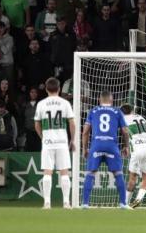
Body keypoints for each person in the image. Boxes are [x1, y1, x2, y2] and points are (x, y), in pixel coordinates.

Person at [81, 90, 131, 209]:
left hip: (96, 144)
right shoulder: (117, 111)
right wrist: (126, 146)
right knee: (118, 174)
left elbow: (85, 132)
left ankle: (85, 203)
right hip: (111, 146)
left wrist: (85, 148)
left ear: (99, 100)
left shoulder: (93, 111)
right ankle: (123, 203)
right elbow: (125, 131)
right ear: (111, 99)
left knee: (90, 173)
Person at [34, 77, 75, 209]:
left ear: (46, 89)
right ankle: (66, 203)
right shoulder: (65, 103)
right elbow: (71, 123)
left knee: (47, 171)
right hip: (62, 141)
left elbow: (36, 124)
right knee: (64, 172)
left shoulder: (41, 104)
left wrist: (42, 136)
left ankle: (47, 203)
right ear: (58, 89)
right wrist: (72, 139)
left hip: (48, 141)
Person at [122, 104, 146, 208]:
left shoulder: (123, 119)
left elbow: (125, 133)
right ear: (132, 110)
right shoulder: (142, 118)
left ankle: (125, 203)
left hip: (138, 148)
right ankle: (138, 199)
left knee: (132, 178)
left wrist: (126, 146)